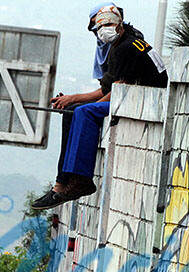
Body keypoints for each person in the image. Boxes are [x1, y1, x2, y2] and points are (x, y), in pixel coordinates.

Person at [31, 3, 168, 210]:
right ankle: (63, 182)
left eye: (107, 26)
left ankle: (80, 180)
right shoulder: (127, 40)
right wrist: (75, 101)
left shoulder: (124, 47)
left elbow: (116, 90)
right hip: (135, 96)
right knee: (76, 111)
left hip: (144, 100)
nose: (102, 32)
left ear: (119, 24)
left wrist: (79, 104)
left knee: (83, 113)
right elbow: (112, 88)